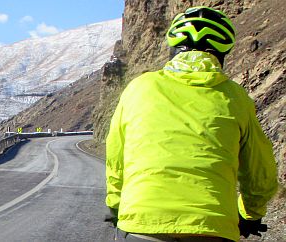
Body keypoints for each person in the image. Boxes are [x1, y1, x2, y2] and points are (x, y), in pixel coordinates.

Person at [105, 6, 278, 242]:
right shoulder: (235, 98)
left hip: (143, 223)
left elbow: (116, 157)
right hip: (211, 227)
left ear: (173, 50)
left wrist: (116, 204)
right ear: (221, 54)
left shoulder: (139, 88)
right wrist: (250, 214)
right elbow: (261, 172)